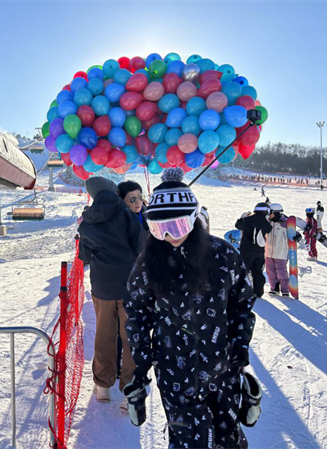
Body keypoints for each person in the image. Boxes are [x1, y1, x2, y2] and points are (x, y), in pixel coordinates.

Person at [123, 168, 256, 449]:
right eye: (160, 228)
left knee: (227, 437)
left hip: (223, 367)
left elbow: (242, 302)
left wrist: (240, 346)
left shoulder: (221, 255)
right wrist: (142, 361)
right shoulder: (149, 263)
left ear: (194, 220)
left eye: (178, 226)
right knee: (188, 441)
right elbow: (136, 313)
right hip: (175, 373)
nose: (170, 236)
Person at [78, 176, 141, 406]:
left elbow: (84, 255)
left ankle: (103, 386)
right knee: (130, 338)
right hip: (128, 287)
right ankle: (129, 391)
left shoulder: (87, 221)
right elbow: (140, 245)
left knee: (104, 336)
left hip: (102, 287)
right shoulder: (126, 214)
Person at [235, 202, 272, 298]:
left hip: (246, 250)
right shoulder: (266, 223)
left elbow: (238, 226)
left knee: (243, 271)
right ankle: (258, 292)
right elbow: (269, 229)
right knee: (258, 272)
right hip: (259, 251)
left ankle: (240, 291)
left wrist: (242, 218)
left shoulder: (247, 220)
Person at [265, 203, 300, 296]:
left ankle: (285, 289)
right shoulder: (267, 222)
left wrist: (297, 236)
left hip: (281, 252)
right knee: (270, 272)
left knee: (281, 272)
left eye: (270, 212)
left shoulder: (285, 223)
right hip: (268, 252)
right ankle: (274, 288)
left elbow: (294, 232)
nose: (268, 214)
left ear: (276, 212)